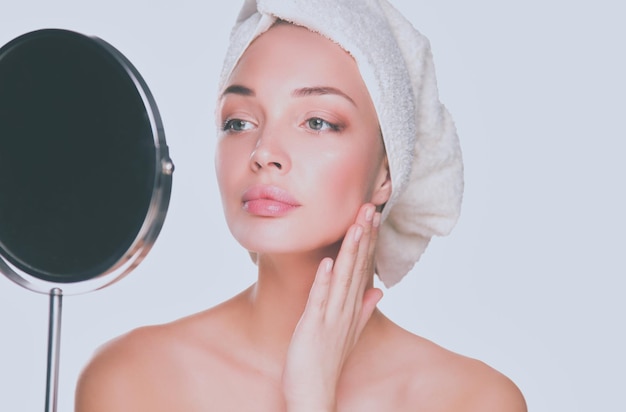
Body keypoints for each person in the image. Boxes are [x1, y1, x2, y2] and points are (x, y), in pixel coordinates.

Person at [76, 0, 527, 410]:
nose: (264, 151)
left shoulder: (474, 400)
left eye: (318, 122)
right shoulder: (135, 381)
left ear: (388, 172)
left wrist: (311, 395)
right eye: (238, 121)